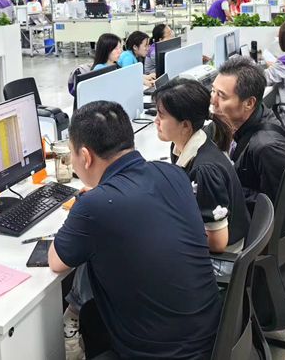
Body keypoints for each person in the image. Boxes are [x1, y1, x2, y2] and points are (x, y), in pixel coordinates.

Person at [49, 101, 221, 360]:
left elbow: (56, 261)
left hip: (163, 354)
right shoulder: (173, 173)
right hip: (212, 338)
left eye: (71, 155)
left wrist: (86, 205)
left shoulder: (94, 206)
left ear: (85, 156)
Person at [154, 78, 250, 253]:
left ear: (185, 125)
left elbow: (217, 243)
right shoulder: (187, 145)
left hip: (223, 257)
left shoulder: (204, 171)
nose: (156, 121)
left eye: (161, 116)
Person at [210, 57, 285, 206]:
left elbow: (279, 205)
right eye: (213, 91)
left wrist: (225, 188)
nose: (213, 100)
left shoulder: (267, 147)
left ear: (249, 103)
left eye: (221, 96)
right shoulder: (254, 115)